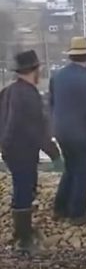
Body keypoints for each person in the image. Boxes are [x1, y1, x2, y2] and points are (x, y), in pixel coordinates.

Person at [0, 50, 63, 254]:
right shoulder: (29, 95)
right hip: (22, 150)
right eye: (38, 69)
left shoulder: (8, 91)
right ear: (33, 70)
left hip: (11, 149)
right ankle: (25, 242)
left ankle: (21, 231)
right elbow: (36, 130)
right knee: (24, 190)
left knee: (23, 187)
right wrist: (54, 153)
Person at [49, 37, 86, 225]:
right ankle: (77, 213)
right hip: (81, 134)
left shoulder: (56, 76)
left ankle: (60, 208)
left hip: (61, 131)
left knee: (70, 168)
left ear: (71, 56)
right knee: (84, 172)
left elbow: (50, 104)